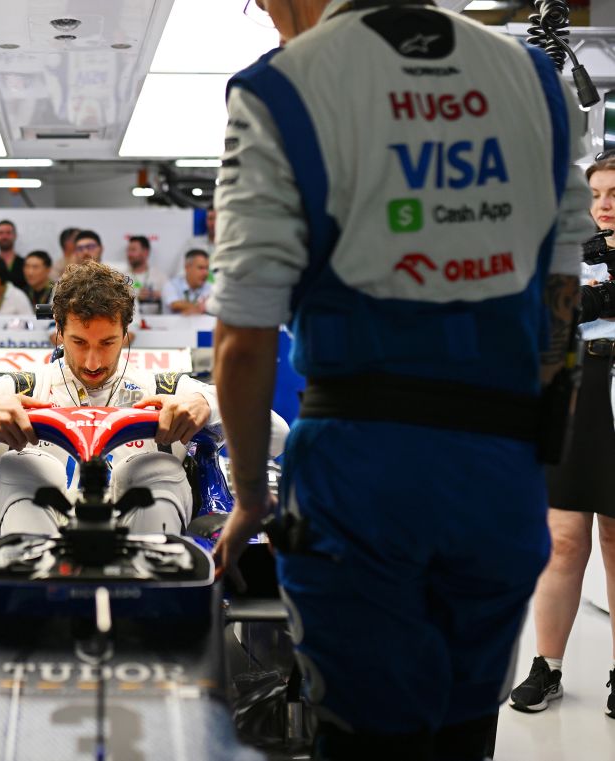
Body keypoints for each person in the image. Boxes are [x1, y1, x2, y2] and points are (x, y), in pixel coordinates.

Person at [208, 2, 592, 759]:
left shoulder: (280, 87)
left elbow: (243, 340)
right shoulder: (538, 79)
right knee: (465, 730)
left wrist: (251, 494)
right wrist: (520, 450)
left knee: (366, 736)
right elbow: (563, 293)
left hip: (362, 474)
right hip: (500, 468)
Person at [0, 262, 285, 535]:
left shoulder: (167, 389)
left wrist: (210, 407)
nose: (94, 360)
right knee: (28, 471)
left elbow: (278, 436)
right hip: (27, 574)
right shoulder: (25, 388)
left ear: (126, 334)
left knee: (154, 471)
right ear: (58, 333)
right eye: (79, 342)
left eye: (108, 342)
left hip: (156, 575)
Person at [509, 154, 615, 718]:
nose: (603, 204)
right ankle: (547, 666)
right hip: (576, 395)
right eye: (595, 194)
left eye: (614, 192)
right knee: (565, 540)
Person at [118, 235, 167, 312]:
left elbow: (171, 300)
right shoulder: (121, 277)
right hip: (130, 322)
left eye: (133, 250)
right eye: (128, 250)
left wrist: (160, 296)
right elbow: (116, 302)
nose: (129, 254)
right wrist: (136, 297)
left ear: (145, 252)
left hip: (156, 322)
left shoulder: (159, 276)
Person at [161, 249, 211, 314]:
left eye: (207, 268)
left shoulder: (209, 287)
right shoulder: (171, 285)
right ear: (187, 268)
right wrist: (200, 307)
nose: (206, 273)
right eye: (200, 268)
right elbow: (175, 304)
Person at [0, 219, 28, 291]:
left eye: (8, 233)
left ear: (15, 236)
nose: (4, 236)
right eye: (1, 233)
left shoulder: (25, 264)